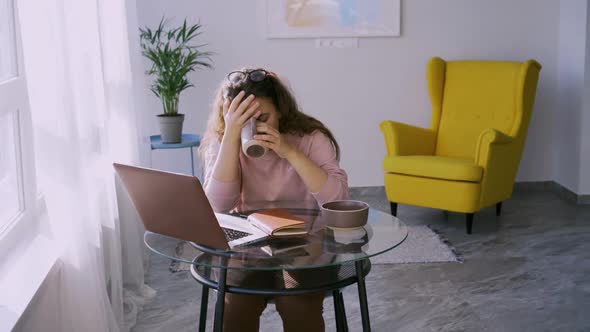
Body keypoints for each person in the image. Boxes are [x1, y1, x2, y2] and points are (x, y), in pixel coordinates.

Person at [200, 67, 349, 331]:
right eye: (244, 119)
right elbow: (217, 206)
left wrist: (288, 151)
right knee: (236, 309)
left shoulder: (311, 138)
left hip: (306, 243)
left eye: (263, 117)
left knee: (297, 307)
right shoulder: (223, 141)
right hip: (249, 248)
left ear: (280, 110)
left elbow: (336, 199)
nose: (254, 128)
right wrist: (232, 138)